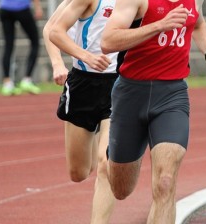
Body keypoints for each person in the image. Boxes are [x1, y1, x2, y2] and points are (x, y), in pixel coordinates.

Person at [101, 0, 206, 223]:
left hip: (172, 95)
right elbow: (108, 40)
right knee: (120, 188)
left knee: (165, 181)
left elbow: (197, 22)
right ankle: (112, 153)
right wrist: (159, 25)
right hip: (130, 94)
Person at [43, 0, 117, 223]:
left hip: (120, 84)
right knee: (79, 173)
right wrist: (58, 63)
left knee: (106, 165)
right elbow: (51, 28)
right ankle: (95, 131)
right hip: (84, 83)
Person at [0, 0, 42, 96]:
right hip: (21, 8)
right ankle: (27, 79)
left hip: (4, 8)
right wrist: (38, 8)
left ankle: (7, 83)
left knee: (8, 45)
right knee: (35, 42)